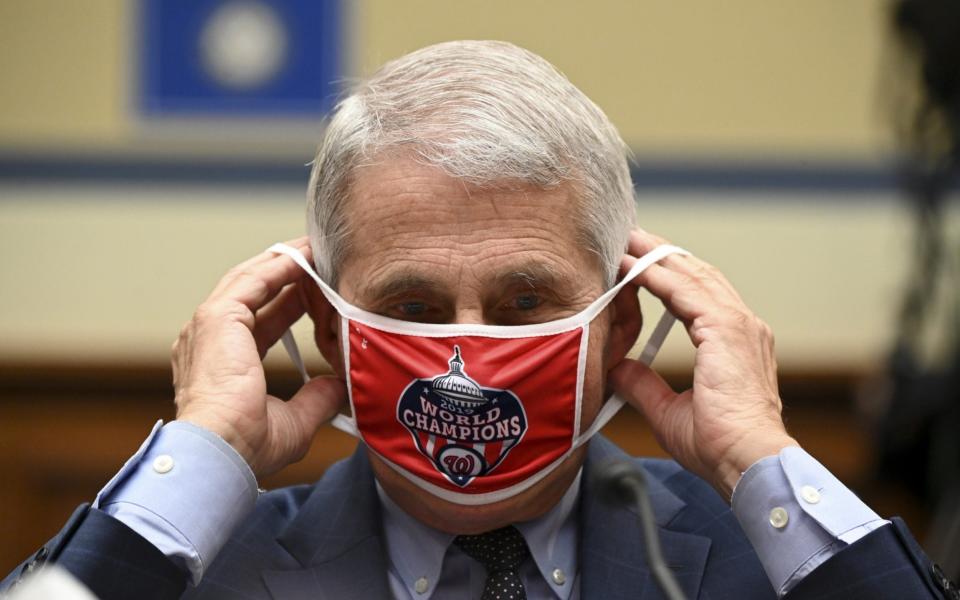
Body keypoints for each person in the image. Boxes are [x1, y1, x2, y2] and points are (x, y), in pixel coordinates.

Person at [2, 40, 956, 600]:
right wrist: (203, 455)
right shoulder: (185, 570)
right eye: (411, 307)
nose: (466, 353)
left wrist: (760, 463)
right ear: (329, 333)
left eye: (525, 302)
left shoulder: (770, 565)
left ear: (622, 327)